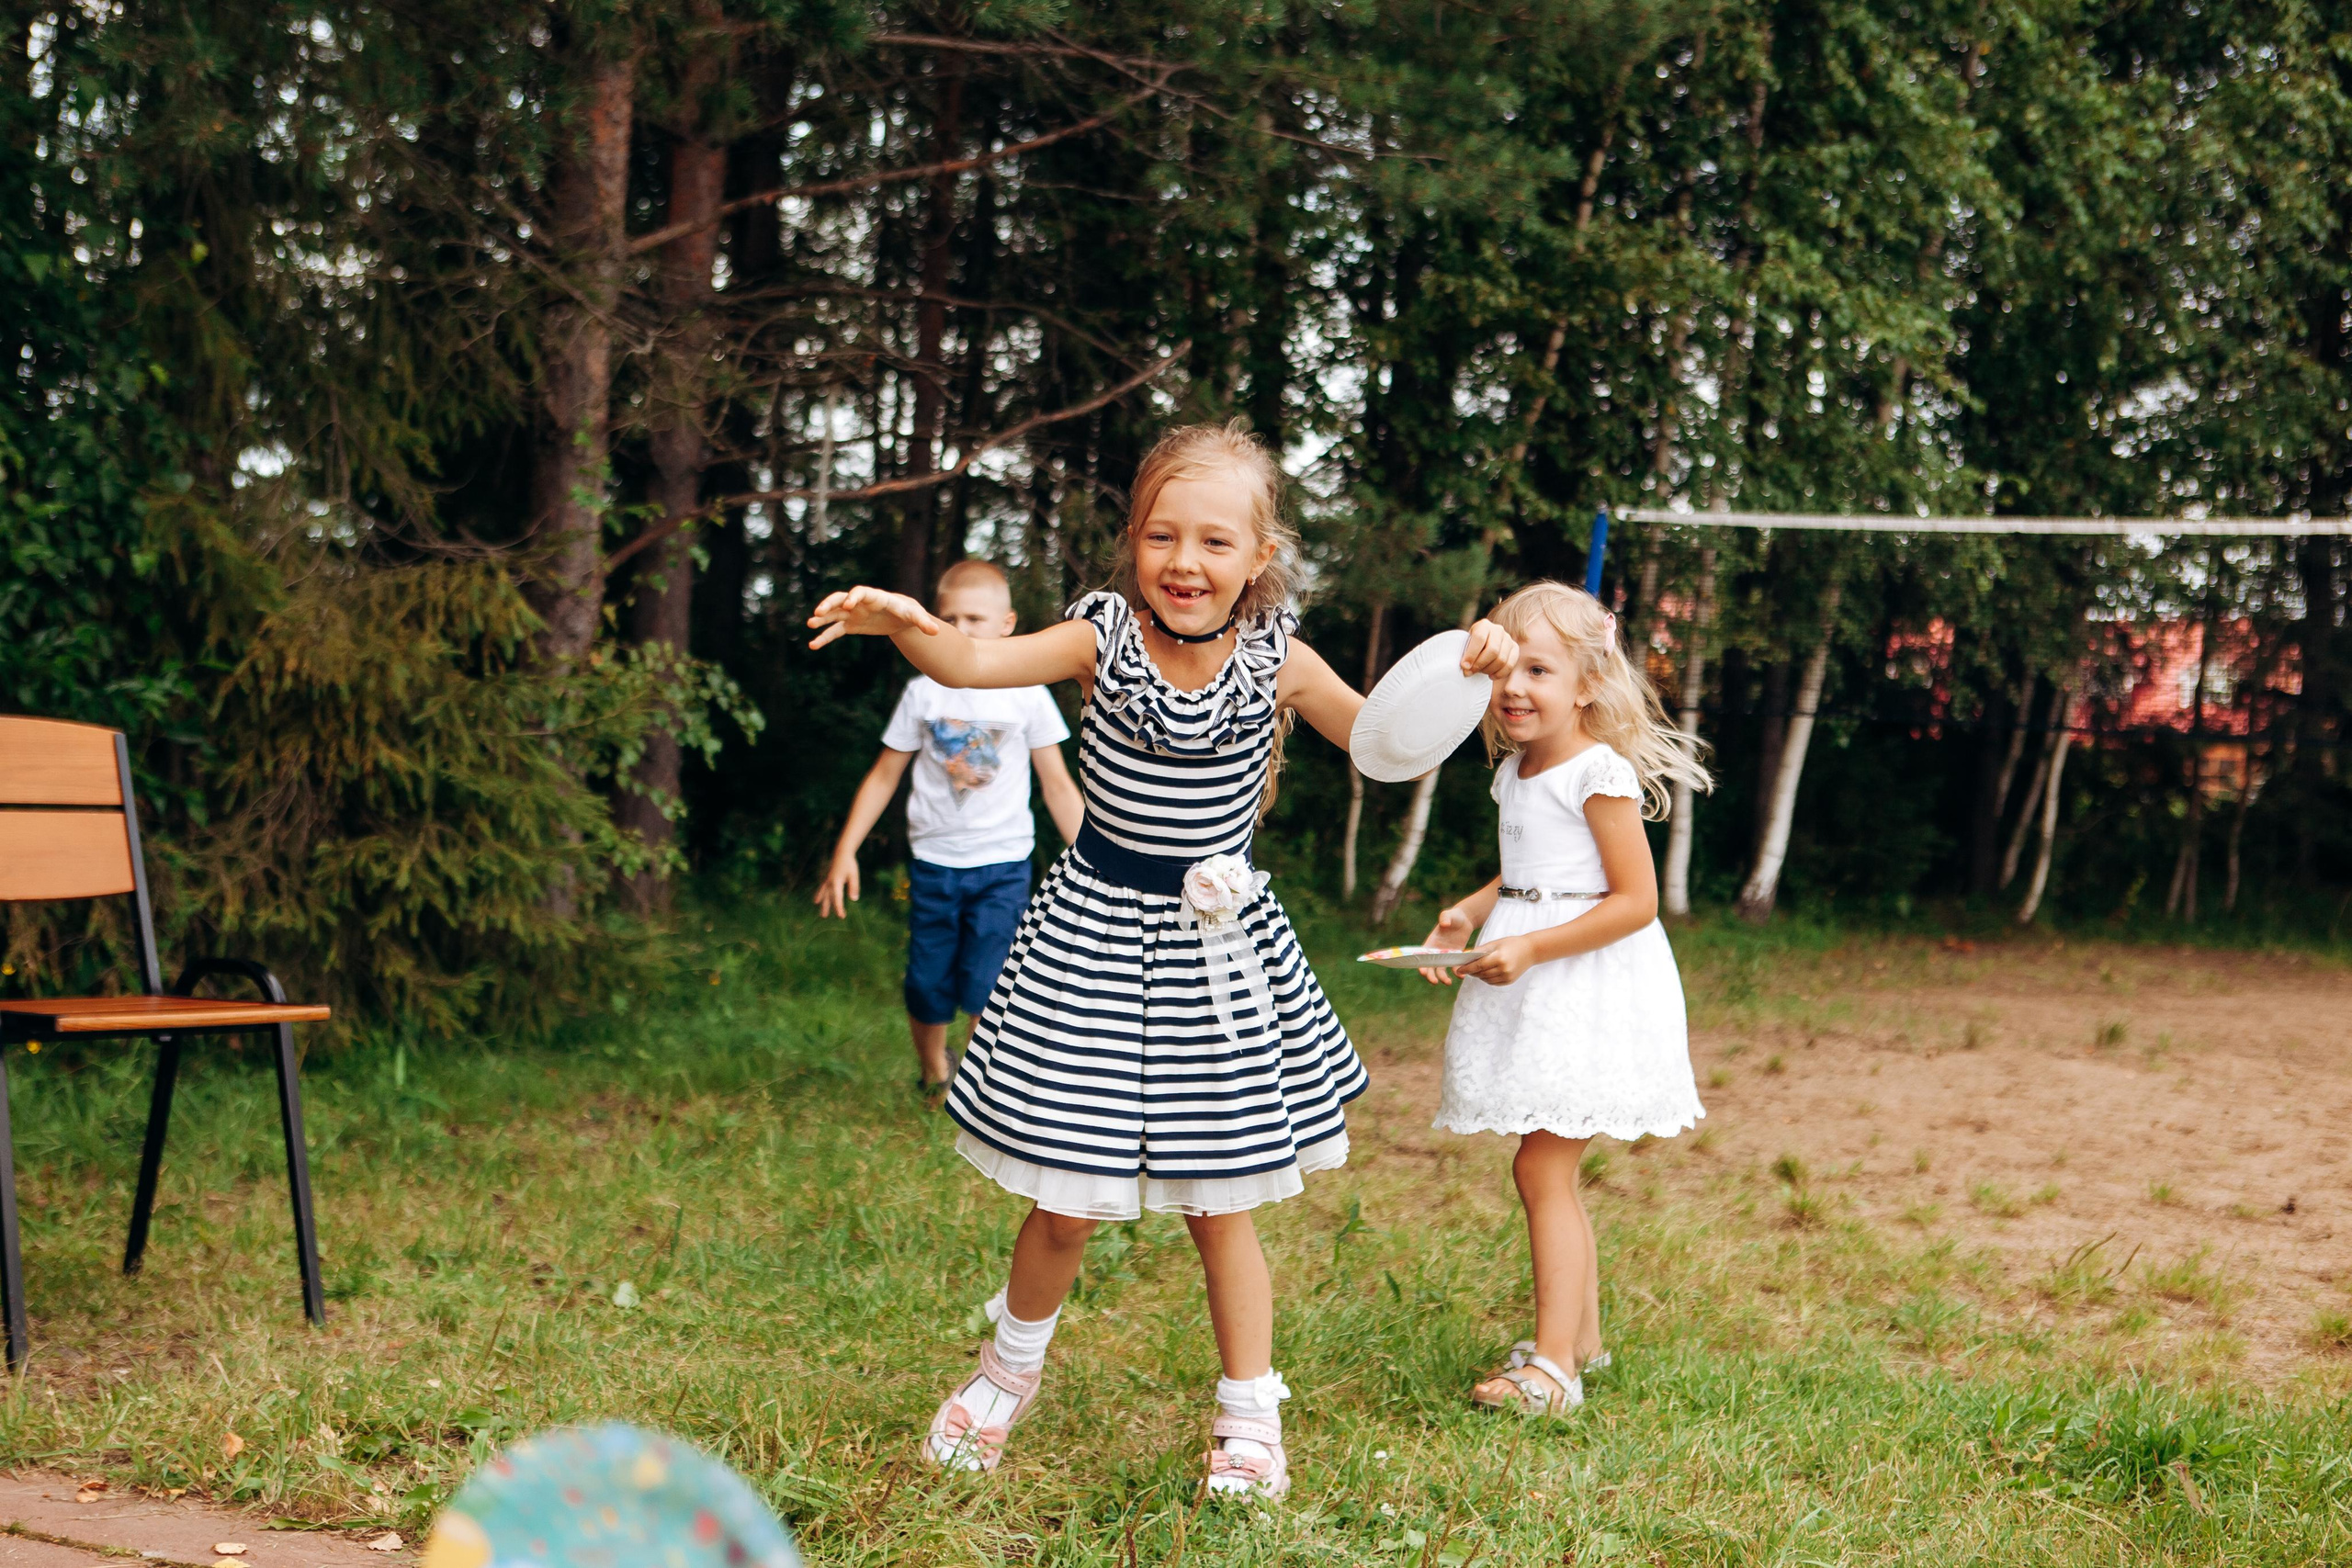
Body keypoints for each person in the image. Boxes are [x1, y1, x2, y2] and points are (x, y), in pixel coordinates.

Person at [808, 422, 1517, 1497]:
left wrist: (1473, 666)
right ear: (1133, 543)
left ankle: (1247, 1418)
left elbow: (1386, 738)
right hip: (1091, 942)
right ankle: (1004, 1377)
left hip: (1215, 962)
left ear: (1259, 556)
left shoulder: (1284, 660)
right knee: (1064, 1196)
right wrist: (907, 623)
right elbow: (975, 659)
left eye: (1215, 542)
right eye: (1161, 536)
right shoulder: (1100, 637)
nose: (1186, 562)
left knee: (1218, 1201)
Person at [1418, 580, 1712, 1418]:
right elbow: (1529, 869)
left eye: (1539, 670)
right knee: (1547, 1166)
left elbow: (1633, 899)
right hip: (1537, 976)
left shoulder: (1598, 770)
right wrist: (1470, 912)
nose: (1515, 687)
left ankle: (1552, 1370)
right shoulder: (1520, 768)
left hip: (1587, 983)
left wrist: (1533, 944)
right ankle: (1577, 1342)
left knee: (1541, 1164)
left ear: (1585, 684)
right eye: (1507, 669)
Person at [815, 558, 1085, 1097]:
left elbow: (1057, 784)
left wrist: (1095, 863)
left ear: (1007, 625)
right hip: (935, 864)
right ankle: (936, 1073)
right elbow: (883, 776)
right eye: (949, 618)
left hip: (1003, 865)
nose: (960, 631)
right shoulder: (924, 694)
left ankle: (979, 1087)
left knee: (989, 982)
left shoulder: (1027, 692)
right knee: (926, 984)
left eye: (975, 619)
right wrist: (845, 851)